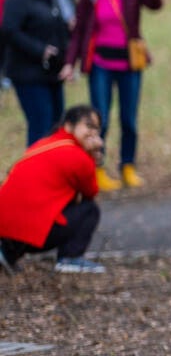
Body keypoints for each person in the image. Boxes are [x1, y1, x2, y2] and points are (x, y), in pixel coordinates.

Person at [66, 0, 163, 191]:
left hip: (129, 64)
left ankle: (128, 166)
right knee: (101, 120)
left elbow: (156, 5)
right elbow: (79, 31)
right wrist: (70, 62)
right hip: (101, 64)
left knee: (129, 119)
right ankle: (97, 169)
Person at [0, 104, 107, 274]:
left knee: (37, 208)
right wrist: (92, 157)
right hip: (27, 232)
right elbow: (91, 192)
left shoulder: (44, 143)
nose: (93, 133)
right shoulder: (78, 156)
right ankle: (70, 258)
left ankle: (7, 253)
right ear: (69, 125)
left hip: (5, 228)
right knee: (89, 210)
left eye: (97, 128)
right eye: (88, 126)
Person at [4, 0, 76, 147]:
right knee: (40, 127)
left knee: (57, 126)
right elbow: (10, 31)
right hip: (28, 73)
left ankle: (53, 166)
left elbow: (59, 26)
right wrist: (40, 50)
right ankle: (36, 166)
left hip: (52, 71)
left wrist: (67, 60)